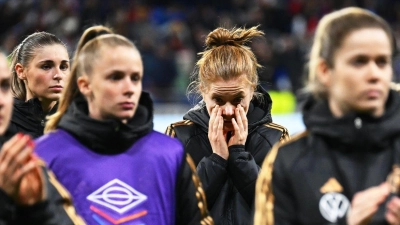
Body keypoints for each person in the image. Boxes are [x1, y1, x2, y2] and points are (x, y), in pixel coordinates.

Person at [35, 25, 213, 225]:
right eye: (116, 77)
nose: (129, 88)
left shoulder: (170, 153)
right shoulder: (43, 155)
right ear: (85, 85)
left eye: (135, 78)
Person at [254, 7, 400, 225]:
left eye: (382, 62)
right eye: (359, 61)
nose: (374, 74)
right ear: (324, 70)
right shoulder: (288, 161)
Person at [165, 26, 289, 225]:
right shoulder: (179, 137)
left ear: (252, 89)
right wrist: (216, 161)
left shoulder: (276, 139)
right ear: (202, 90)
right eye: (219, 100)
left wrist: (240, 157)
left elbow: (281, 214)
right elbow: (174, 214)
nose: (229, 110)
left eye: (238, 99)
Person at [0, 52, 84, 224]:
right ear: (21, 72)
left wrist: (35, 209)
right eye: (46, 66)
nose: (1, 101)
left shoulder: (23, 161)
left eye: (4, 86)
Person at [8, 31, 70, 138]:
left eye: (63, 67)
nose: (58, 75)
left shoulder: (79, 124)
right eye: (46, 66)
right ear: (21, 71)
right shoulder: (5, 121)